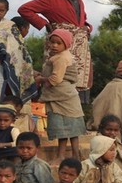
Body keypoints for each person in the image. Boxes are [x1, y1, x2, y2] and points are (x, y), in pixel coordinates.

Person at [18, 0, 94, 102]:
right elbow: (25, 9)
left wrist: (87, 27)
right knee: (57, 76)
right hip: (59, 45)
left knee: (76, 80)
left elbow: (82, 18)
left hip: (78, 48)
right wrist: (44, 24)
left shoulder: (79, 0)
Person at [34, 29, 86, 160]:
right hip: (69, 98)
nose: (54, 46)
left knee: (63, 129)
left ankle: (63, 156)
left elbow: (55, 79)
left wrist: (41, 79)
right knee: (72, 130)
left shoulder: (60, 58)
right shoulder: (64, 56)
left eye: (59, 43)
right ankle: (73, 155)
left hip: (61, 97)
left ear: (66, 44)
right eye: (52, 42)